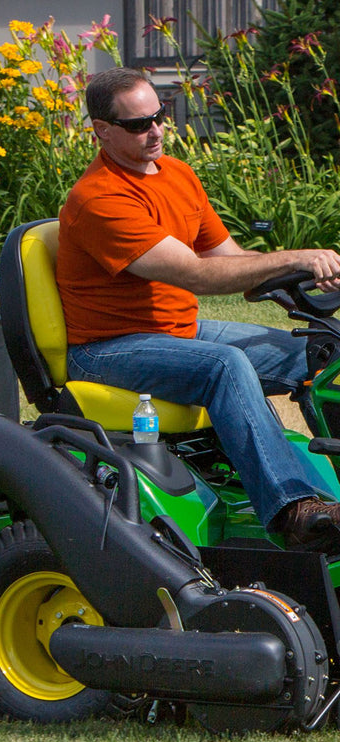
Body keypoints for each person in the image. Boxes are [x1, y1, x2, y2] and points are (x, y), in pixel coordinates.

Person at [57, 66, 340, 553]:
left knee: (322, 349)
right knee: (225, 365)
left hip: (176, 331)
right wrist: (294, 257)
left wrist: (294, 274)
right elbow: (196, 275)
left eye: (160, 116)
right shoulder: (99, 199)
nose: (156, 130)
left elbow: (227, 259)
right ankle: (296, 512)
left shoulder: (178, 175)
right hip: (105, 349)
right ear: (102, 131)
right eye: (138, 124)